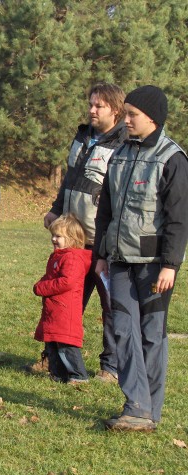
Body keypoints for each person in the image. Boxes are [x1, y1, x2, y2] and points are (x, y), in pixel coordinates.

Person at [95, 85, 188, 432]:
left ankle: (150, 409)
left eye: (132, 114)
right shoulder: (119, 153)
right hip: (118, 260)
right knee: (123, 331)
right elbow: (106, 209)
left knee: (151, 334)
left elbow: (179, 218)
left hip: (154, 266)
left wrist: (170, 265)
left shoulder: (173, 159)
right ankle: (135, 406)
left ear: (153, 118)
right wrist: (101, 254)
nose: (127, 119)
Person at [36, 82, 127, 382]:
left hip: (102, 244)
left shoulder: (123, 144)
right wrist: (56, 207)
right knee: (62, 301)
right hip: (74, 242)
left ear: (115, 109)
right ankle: (52, 357)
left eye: (98, 105)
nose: (91, 109)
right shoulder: (83, 137)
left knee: (110, 306)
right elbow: (70, 179)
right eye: (91, 103)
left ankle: (111, 367)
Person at [33, 214, 91, 385]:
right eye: (53, 235)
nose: (53, 239)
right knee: (52, 342)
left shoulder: (72, 258)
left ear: (72, 238)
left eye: (58, 236)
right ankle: (58, 374)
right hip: (55, 309)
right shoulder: (58, 256)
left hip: (65, 309)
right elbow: (50, 275)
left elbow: (67, 281)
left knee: (66, 344)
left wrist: (42, 287)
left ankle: (79, 375)